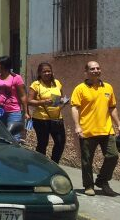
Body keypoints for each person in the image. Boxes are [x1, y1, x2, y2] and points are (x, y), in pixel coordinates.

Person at [71, 60, 120, 197]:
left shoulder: (108, 87)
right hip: (87, 130)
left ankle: (102, 181)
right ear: (86, 72)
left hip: (107, 129)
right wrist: (77, 126)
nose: (96, 70)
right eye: (92, 69)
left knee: (113, 155)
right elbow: (75, 107)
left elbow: (112, 108)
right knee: (87, 160)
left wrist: (118, 124)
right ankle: (88, 185)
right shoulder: (80, 88)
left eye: (98, 68)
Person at [28, 62, 67, 164]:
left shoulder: (57, 83)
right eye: (44, 71)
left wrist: (63, 101)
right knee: (42, 144)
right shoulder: (36, 85)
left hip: (57, 119)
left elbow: (61, 97)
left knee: (60, 142)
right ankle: (40, 165)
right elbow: (29, 101)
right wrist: (43, 102)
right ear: (39, 73)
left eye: (49, 71)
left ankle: (54, 164)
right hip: (41, 119)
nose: (47, 73)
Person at [0, 55, 29, 140]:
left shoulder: (16, 78)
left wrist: (26, 112)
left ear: (3, 65)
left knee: (14, 136)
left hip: (13, 111)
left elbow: (23, 96)